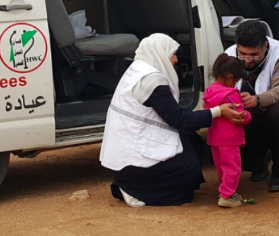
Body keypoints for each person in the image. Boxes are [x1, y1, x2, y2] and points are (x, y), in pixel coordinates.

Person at [100, 34, 245, 207]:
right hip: (132, 158)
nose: (176, 60)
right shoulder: (151, 80)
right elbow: (180, 119)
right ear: (159, 53)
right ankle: (136, 191)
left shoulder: (138, 69)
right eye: (173, 54)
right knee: (189, 170)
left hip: (126, 148)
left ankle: (136, 184)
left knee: (194, 143)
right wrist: (218, 111)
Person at [224, 21, 279, 192]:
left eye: (254, 55)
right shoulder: (229, 55)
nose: (247, 60)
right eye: (243, 54)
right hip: (246, 116)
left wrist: (256, 100)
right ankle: (257, 164)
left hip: (277, 116)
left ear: (265, 45)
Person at [203, 54, 253, 208]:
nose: (236, 84)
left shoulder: (210, 92)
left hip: (214, 139)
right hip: (230, 140)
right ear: (230, 77)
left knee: (221, 169)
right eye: (236, 81)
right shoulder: (231, 95)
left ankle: (226, 191)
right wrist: (248, 116)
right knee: (233, 168)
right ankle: (226, 195)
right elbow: (241, 115)